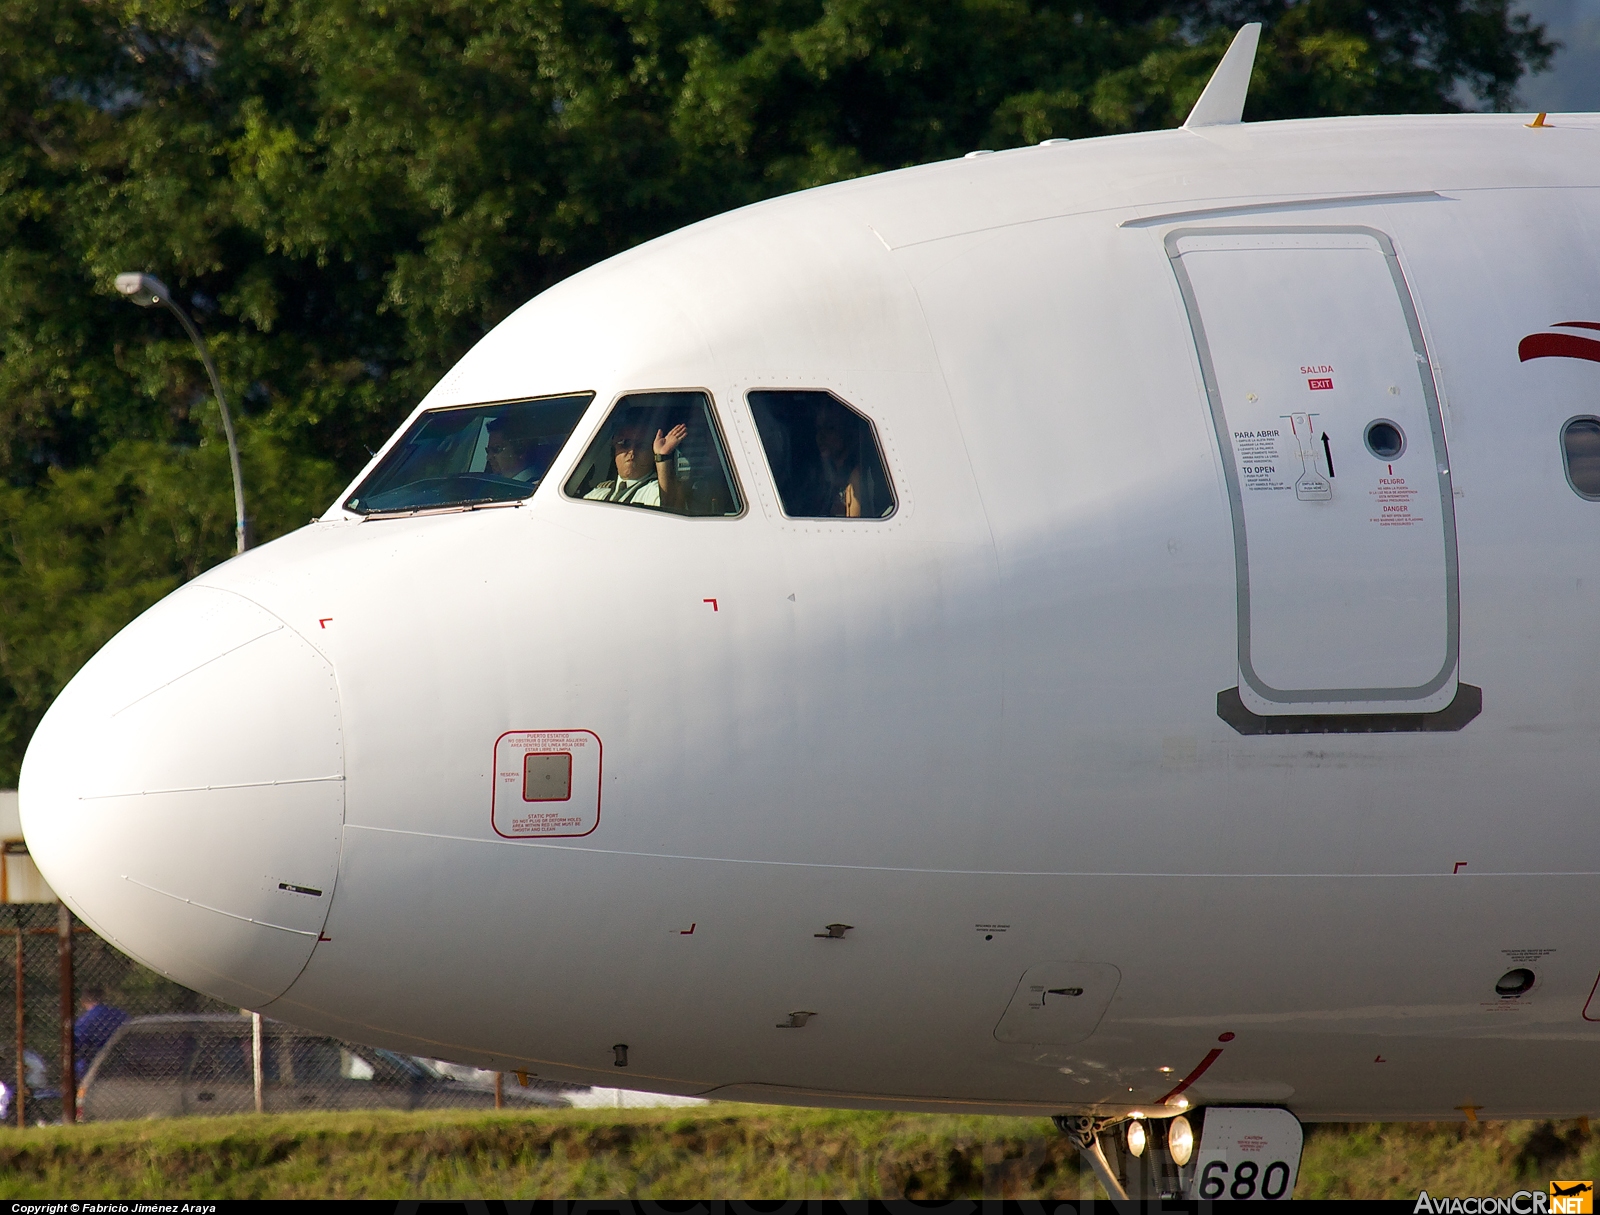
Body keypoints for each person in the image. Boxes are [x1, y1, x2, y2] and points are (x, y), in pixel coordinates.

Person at [582, 420, 687, 510]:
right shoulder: (596, 496)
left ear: (652, 453)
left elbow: (671, 507)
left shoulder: (653, 491)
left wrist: (662, 457)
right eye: (624, 443)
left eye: (641, 446)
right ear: (614, 448)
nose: (632, 451)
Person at [74, 988, 129, 1080]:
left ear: (83, 1001)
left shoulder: (84, 1021)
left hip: (92, 1068)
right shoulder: (122, 1015)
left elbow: (76, 1045)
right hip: (121, 1065)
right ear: (103, 998)